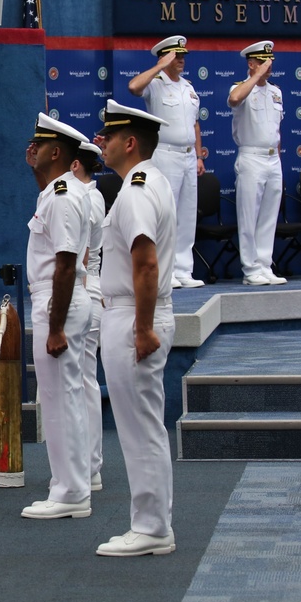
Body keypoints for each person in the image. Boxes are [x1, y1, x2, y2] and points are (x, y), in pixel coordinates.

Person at [94, 99, 176, 557]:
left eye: (109, 135)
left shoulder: (137, 190)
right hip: (132, 313)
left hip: (134, 316)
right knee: (143, 426)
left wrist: (143, 329)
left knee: (140, 427)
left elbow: (144, 264)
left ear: (130, 143)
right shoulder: (148, 183)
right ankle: (154, 521)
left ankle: (152, 527)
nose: (100, 142)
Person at [20, 114, 93, 520]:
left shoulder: (63, 194)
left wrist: (56, 326)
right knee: (63, 399)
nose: (32, 149)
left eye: (38, 144)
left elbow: (65, 263)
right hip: (58, 299)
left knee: (60, 401)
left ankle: (71, 492)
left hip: (58, 301)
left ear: (56, 151)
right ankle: (70, 485)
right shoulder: (56, 190)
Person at [128, 35, 206, 289]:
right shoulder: (156, 83)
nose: (181, 60)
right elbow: (133, 87)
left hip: (187, 156)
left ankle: (184, 269)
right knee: (166, 213)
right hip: (165, 154)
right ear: (165, 57)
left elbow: (195, 123)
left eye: (182, 56)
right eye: (176, 56)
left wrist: (197, 154)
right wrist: (160, 66)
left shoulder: (189, 88)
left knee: (186, 214)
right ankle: (166, 270)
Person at [228, 40, 287, 286]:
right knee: (248, 215)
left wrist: (278, 155)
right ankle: (250, 269)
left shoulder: (276, 92)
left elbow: (276, 128)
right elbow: (234, 100)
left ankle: (265, 265)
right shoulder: (240, 88)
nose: (268, 65)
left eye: (269, 61)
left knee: (268, 216)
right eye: (262, 61)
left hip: (273, 158)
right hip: (251, 157)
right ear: (251, 64)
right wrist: (257, 76)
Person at [71, 140, 106, 492]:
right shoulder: (87, 195)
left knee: (82, 382)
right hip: (87, 288)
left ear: (77, 166)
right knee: (82, 381)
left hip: (84, 288)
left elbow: (79, 257)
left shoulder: (87, 199)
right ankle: (88, 463)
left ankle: (90, 464)